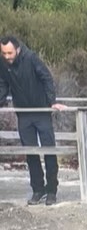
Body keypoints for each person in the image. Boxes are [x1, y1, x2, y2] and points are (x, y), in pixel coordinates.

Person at [0, 36, 66, 206]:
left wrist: (52, 101)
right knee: (31, 153)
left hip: (41, 111)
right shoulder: (4, 64)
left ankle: (51, 190)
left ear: (18, 49)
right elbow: (3, 85)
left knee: (49, 150)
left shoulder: (31, 58)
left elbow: (46, 78)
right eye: (4, 53)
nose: (7, 56)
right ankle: (38, 189)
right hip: (24, 114)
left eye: (10, 52)